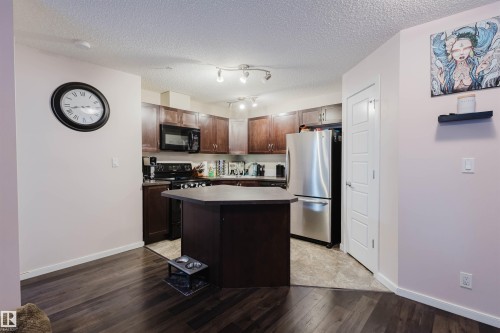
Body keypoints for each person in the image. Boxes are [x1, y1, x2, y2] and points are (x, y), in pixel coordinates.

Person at [431, 21, 498, 95]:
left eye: (466, 48)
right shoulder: (475, 70)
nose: (461, 53)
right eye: (456, 50)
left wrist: (442, 81)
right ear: (451, 53)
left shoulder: (474, 66)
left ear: (471, 49)